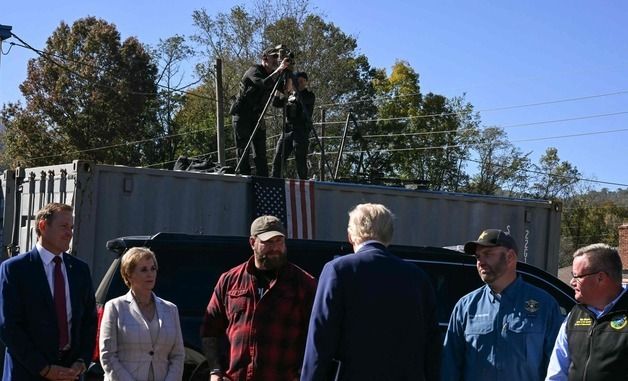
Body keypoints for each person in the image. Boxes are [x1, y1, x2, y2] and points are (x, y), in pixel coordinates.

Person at [300, 203, 441, 381]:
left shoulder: (338, 270)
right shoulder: (418, 277)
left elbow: (320, 339)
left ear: (350, 235)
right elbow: (432, 345)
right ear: (389, 234)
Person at [200, 215, 316, 381]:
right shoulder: (229, 281)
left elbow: (317, 337)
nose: (275, 247)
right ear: (252, 243)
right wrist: (215, 371)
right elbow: (209, 330)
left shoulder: (303, 283)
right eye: (268, 242)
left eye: (279, 241)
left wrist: (303, 374)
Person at [441, 229, 563, 381]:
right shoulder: (466, 307)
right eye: (478, 256)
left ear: (510, 257)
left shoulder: (544, 305)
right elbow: (450, 367)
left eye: (488, 254)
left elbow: (557, 366)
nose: (480, 262)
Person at [0, 202, 97, 381]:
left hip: (70, 374)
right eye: (63, 226)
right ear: (43, 226)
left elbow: (89, 322)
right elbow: (9, 326)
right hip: (27, 373)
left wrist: (82, 361)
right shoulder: (15, 269)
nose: (70, 233)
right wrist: (44, 369)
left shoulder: (79, 270)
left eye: (72, 227)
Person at [99, 247, 185, 381]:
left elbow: (178, 355)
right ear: (129, 274)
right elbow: (108, 355)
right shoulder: (115, 307)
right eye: (144, 270)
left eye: (153, 268)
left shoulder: (170, 309)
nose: (150, 274)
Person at [546, 243, 628, 380]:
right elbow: (557, 373)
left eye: (577, 276)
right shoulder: (575, 315)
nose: (572, 282)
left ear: (600, 278)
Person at [231, 46, 291, 176]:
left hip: (258, 116)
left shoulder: (274, 76)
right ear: (265, 58)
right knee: (243, 150)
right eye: (274, 57)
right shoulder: (254, 70)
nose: (276, 60)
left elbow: (282, 96)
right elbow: (264, 83)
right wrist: (279, 70)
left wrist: (288, 73)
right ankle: (243, 178)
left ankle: (263, 180)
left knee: (260, 153)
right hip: (243, 115)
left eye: (278, 57)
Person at [271, 71, 316, 179]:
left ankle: (303, 183)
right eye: (297, 81)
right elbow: (275, 103)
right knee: (278, 158)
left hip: (301, 131)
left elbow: (303, 100)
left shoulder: (309, 95)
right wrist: (280, 87)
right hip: (287, 130)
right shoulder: (289, 94)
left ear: (306, 82)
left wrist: (293, 93)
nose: (299, 83)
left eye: (301, 81)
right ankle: (274, 181)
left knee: (300, 159)